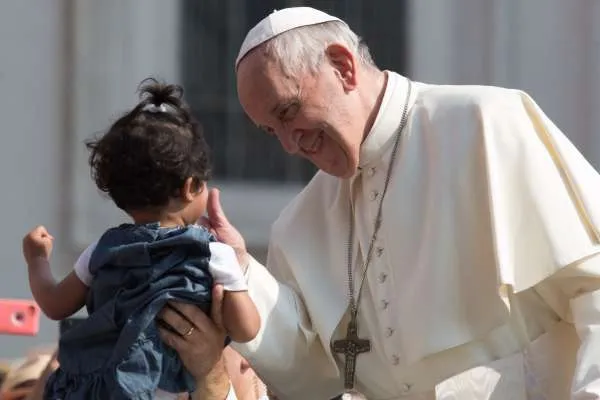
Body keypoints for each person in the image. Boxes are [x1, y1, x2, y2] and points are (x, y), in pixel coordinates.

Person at [166, 6, 600, 400]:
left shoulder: (485, 123)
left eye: (288, 111)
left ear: (342, 66)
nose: (289, 144)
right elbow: (310, 376)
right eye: (269, 131)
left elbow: (592, 284)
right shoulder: (300, 223)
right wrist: (241, 269)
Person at [21, 79, 260, 399]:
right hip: (168, 388)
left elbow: (54, 303)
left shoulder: (102, 251)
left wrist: (37, 260)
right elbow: (247, 328)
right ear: (191, 187)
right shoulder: (212, 252)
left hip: (105, 386)